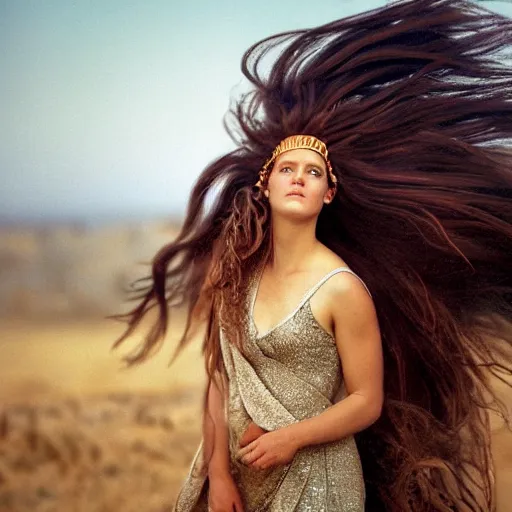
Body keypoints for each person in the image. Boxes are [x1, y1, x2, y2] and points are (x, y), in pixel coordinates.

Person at [111, 0, 512, 510]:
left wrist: (290, 438)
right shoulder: (236, 273)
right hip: (234, 475)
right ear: (265, 184)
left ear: (328, 194)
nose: (299, 176)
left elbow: (366, 402)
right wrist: (219, 472)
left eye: (313, 171)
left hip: (318, 480)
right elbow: (219, 377)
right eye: (287, 168)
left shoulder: (343, 289)